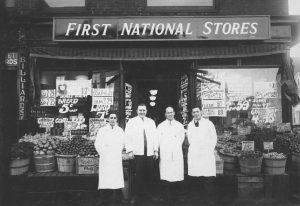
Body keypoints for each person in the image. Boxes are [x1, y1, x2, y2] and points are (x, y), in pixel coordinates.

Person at [125, 104, 159, 204]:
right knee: (137, 175)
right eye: (140, 110)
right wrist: (130, 150)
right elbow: (127, 137)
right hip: (137, 153)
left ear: (146, 111)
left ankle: (150, 195)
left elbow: (155, 137)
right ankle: (136, 195)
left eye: (144, 110)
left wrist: (156, 150)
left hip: (149, 153)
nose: (142, 112)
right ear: (136, 111)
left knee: (150, 174)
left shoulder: (151, 122)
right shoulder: (132, 122)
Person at [186, 107, 218, 206]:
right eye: (194, 112)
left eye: (197, 112)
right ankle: (197, 201)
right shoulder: (190, 125)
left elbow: (214, 138)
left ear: (201, 112)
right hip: (195, 154)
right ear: (192, 113)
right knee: (196, 177)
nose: (196, 113)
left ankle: (209, 201)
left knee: (208, 178)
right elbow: (190, 138)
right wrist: (196, 148)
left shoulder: (209, 123)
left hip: (206, 154)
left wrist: (208, 149)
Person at [94, 112, 125, 205]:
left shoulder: (120, 130)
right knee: (106, 179)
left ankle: (118, 200)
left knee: (116, 178)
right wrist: (103, 153)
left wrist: (117, 151)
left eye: (114, 118)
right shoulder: (102, 130)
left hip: (115, 158)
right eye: (111, 117)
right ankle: (105, 200)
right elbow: (97, 144)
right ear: (108, 119)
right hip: (106, 158)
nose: (113, 119)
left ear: (116, 119)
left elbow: (123, 143)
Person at [157, 107, 185, 205]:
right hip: (165, 154)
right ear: (165, 114)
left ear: (174, 113)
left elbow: (181, 138)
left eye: (171, 112)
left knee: (176, 175)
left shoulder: (179, 125)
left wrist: (174, 145)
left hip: (176, 153)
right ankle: (166, 198)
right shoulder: (160, 126)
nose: (169, 114)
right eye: (168, 112)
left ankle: (176, 198)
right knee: (166, 176)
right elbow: (158, 139)